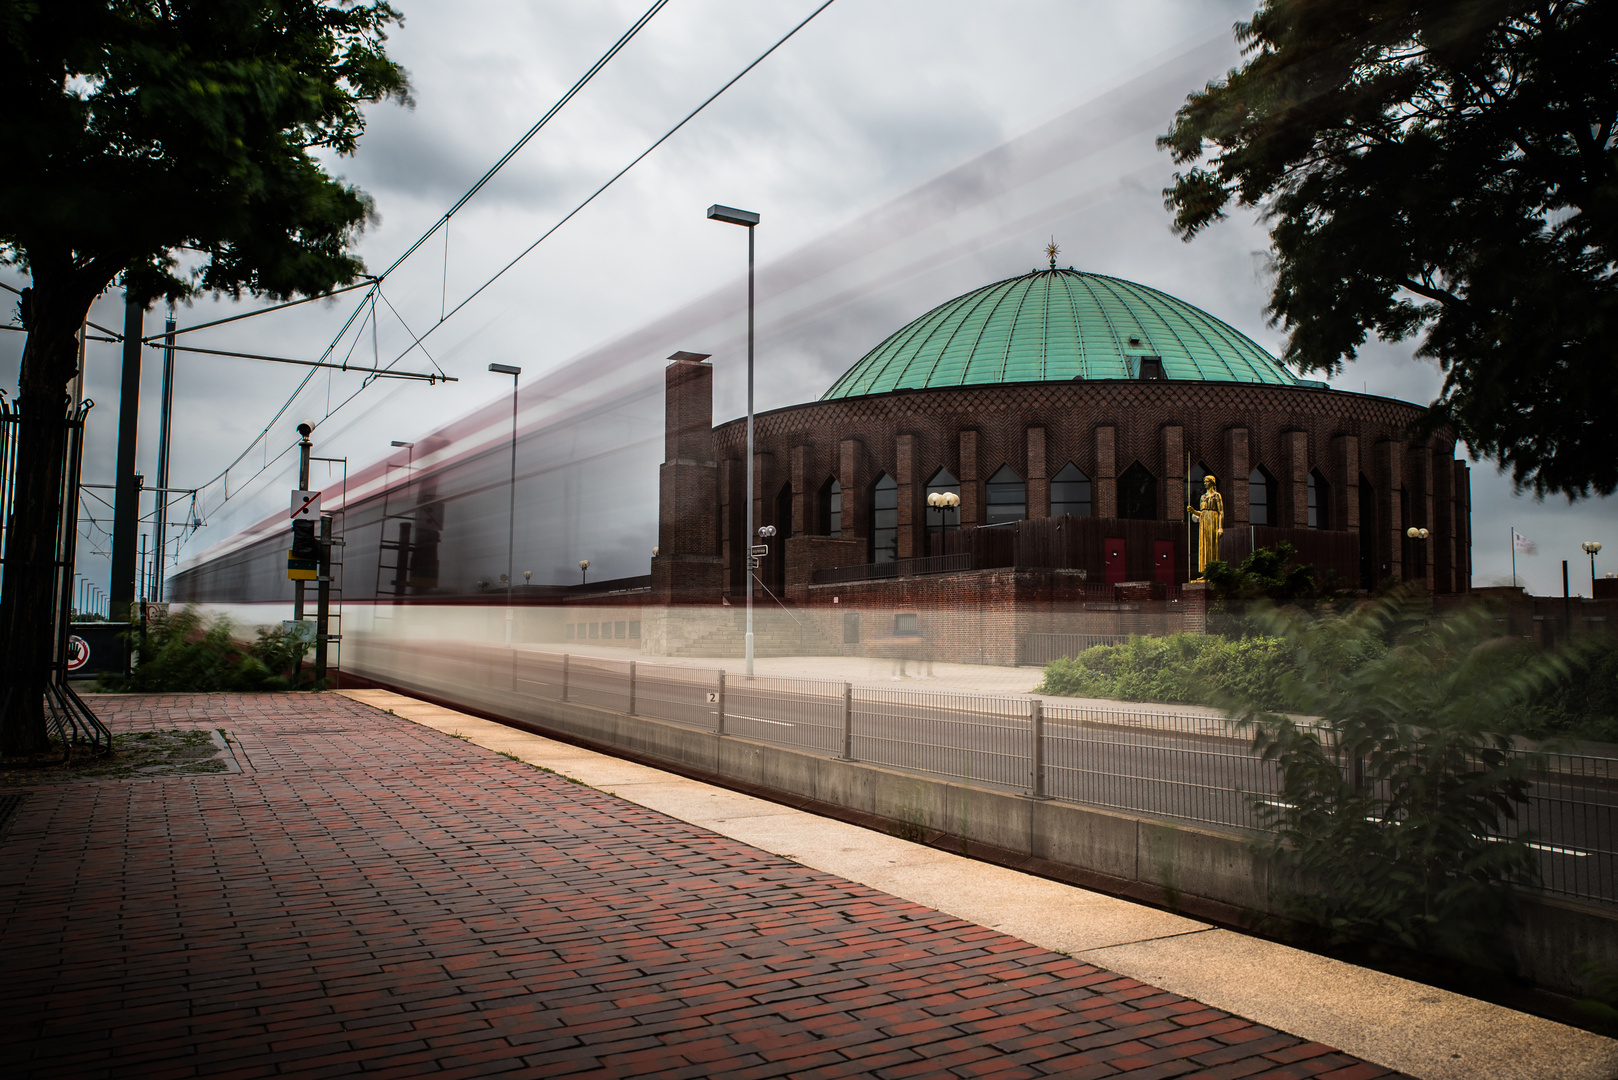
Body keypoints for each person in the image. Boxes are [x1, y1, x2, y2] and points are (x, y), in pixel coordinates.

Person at [1187, 475, 1223, 579]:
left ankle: (1213, 571)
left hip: (1213, 520)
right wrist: (1193, 511)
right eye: (1204, 481)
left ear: (1212, 482)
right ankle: (1205, 572)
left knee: (1212, 544)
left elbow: (1221, 512)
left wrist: (1220, 527)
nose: (1205, 483)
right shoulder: (1202, 497)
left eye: (1207, 481)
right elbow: (1202, 513)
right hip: (1204, 522)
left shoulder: (1216, 495)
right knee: (1204, 545)